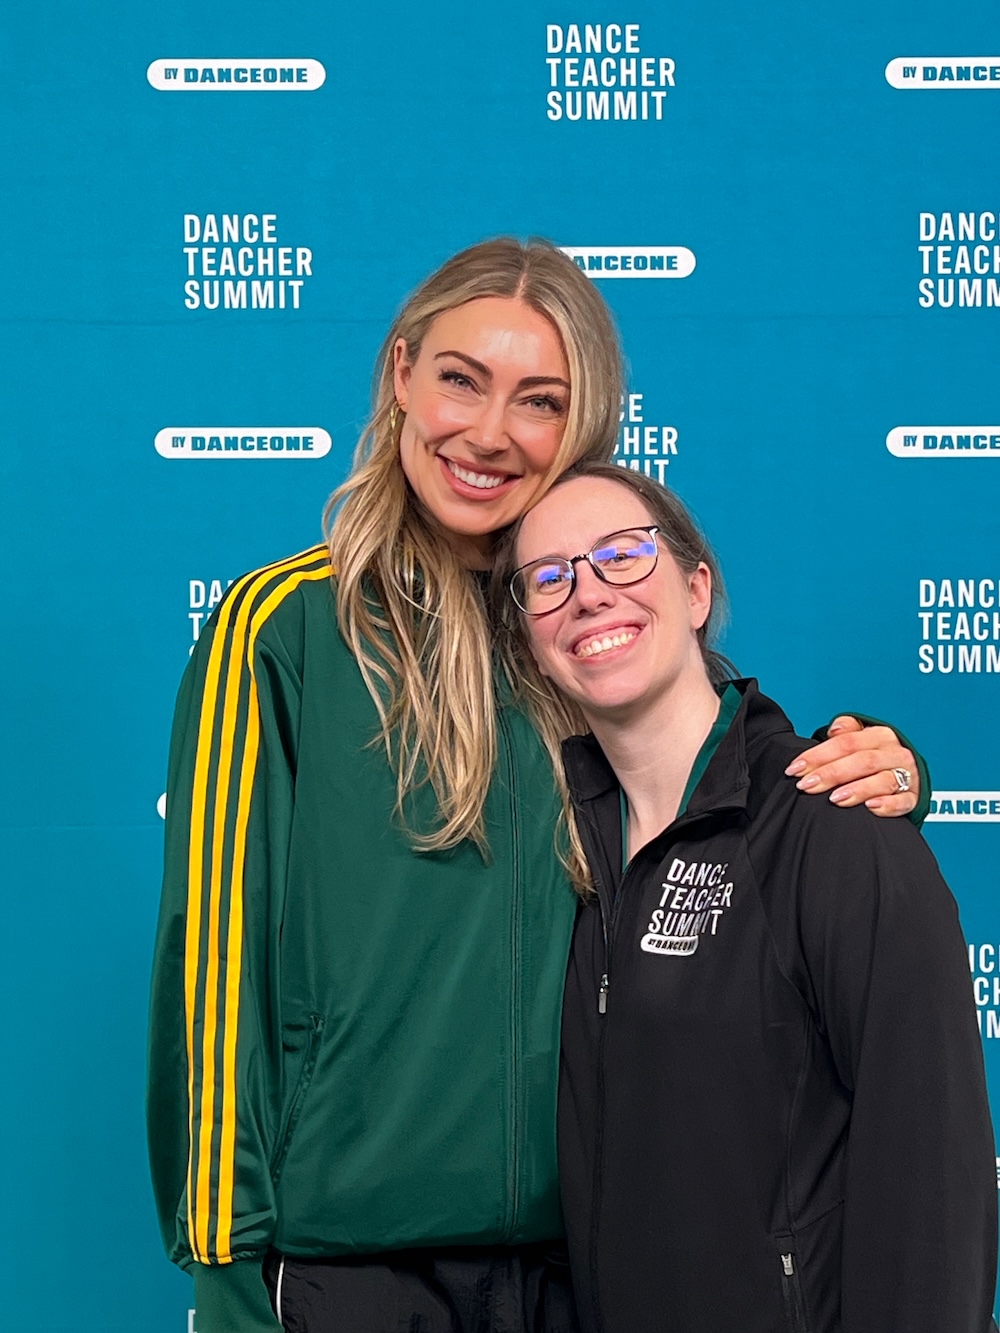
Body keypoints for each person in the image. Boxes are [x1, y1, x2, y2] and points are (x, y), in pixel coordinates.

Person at [147, 238, 927, 1333]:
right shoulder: (281, 630)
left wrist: (883, 762)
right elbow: (213, 957)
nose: (489, 431)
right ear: (400, 375)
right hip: (352, 1273)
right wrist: (228, 1266)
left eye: (539, 400)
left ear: (583, 425)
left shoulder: (582, 625)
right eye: (461, 378)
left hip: (593, 1267)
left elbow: (732, 777)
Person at [495, 460, 996, 1333]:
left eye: (621, 554)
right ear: (532, 636)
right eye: (549, 577)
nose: (588, 593)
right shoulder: (562, 862)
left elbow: (934, 1180)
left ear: (696, 589)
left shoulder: (836, 823)